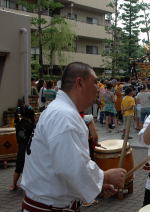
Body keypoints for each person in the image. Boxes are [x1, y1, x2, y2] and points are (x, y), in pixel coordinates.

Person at [21, 62, 127, 212]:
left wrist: (96, 186)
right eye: (95, 82)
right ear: (79, 83)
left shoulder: (58, 110)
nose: (98, 88)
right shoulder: (64, 115)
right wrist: (105, 176)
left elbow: (60, 166)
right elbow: (71, 167)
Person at [9, 105, 35, 191]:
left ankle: (13, 185)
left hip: (21, 148)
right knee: (29, 168)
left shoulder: (18, 124)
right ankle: (28, 185)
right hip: (29, 149)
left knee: (18, 167)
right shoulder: (31, 125)